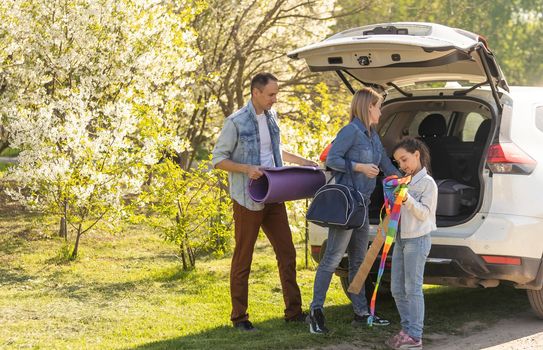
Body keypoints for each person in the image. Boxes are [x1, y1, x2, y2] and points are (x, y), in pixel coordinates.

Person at [212, 72, 317, 332]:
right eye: (271, 94)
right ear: (256, 93)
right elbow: (218, 159)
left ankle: (294, 312)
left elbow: (274, 149)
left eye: (276, 94)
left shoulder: (272, 117)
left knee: (287, 253)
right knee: (243, 258)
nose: (275, 99)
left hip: (274, 194)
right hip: (248, 198)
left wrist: (301, 161)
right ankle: (240, 318)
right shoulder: (235, 122)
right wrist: (247, 169)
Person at [308, 87, 401, 334]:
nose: (380, 111)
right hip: (346, 206)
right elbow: (332, 160)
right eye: (378, 106)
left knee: (359, 261)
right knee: (332, 259)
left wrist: (404, 179)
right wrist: (359, 167)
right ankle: (315, 312)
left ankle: (361, 313)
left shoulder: (372, 135)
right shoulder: (350, 132)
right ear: (367, 107)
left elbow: (384, 162)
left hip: (362, 206)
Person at [385, 137, 437, 350]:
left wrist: (407, 200)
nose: (402, 165)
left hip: (418, 239)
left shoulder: (427, 183)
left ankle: (415, 335)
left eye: (405, 159)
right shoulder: (403, 181)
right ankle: (406, 330)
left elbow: (425, 213)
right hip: (401, 239)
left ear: (417, 154)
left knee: (412, 288)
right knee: (397, 288)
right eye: (398, 162)